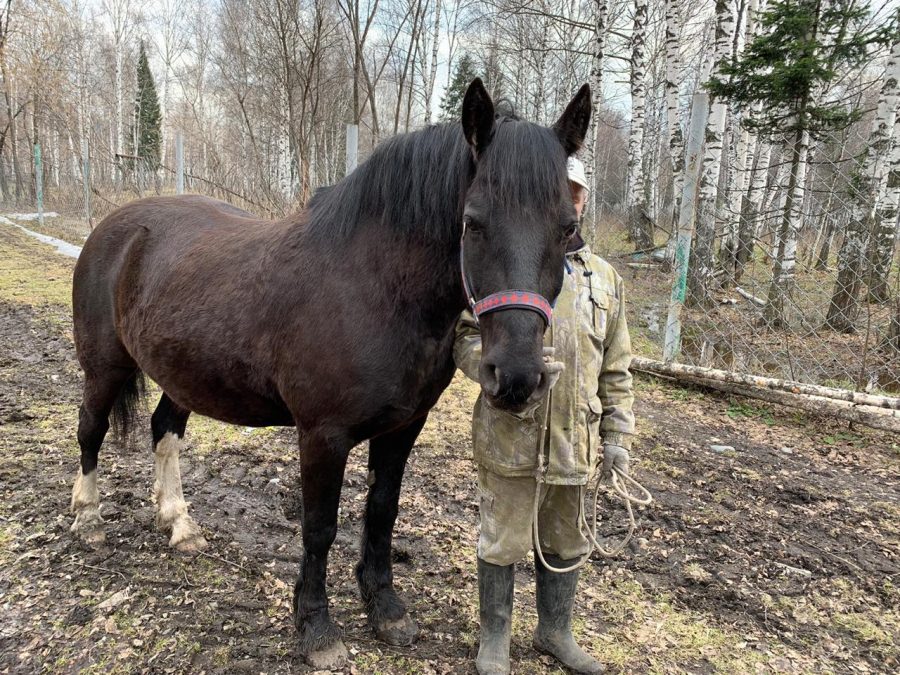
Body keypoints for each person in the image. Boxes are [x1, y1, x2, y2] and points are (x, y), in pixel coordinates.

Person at [453, 157, 635, 675]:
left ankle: (555, 631)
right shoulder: (513, 261)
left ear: (581, 201)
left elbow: (617, 369)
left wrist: (617, 436)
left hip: (575, 441)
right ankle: (495, 639)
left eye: (576, 191)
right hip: (512, 435)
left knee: (566, 539)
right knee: (503, 538)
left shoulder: (605, 280)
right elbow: (466, 336)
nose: (569, 197)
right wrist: (486, 374)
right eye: (561, 189)